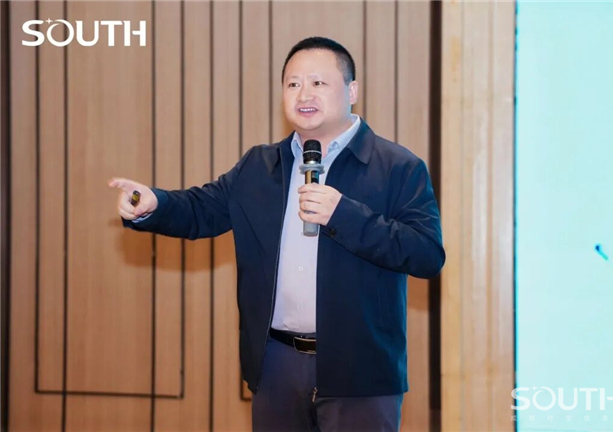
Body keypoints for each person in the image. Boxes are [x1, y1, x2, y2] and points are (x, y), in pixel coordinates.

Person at [109, 36, 445, 432]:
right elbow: (202, 209)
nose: (304, 94)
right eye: (293, 83)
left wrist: (345, 216)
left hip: (361, 369)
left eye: (318, 82)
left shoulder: (397, 167)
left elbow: (426, 254)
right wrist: (155, 204)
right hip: (277, 364)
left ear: (352, 91)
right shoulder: (261, 166)